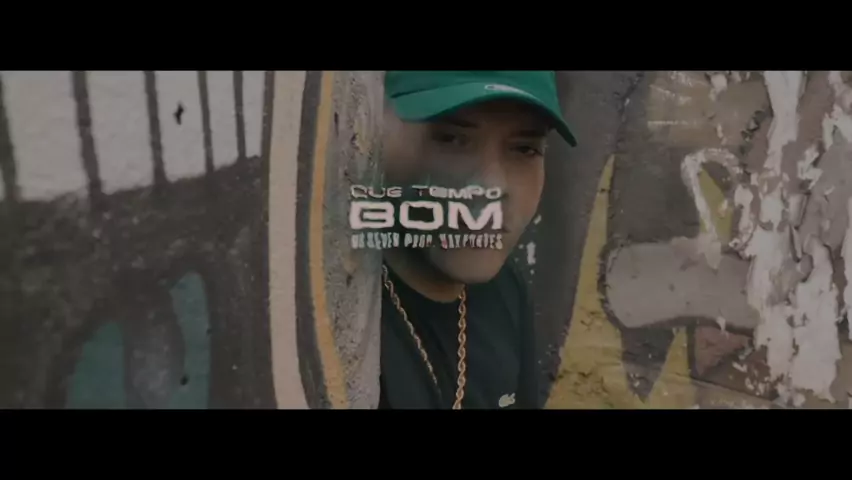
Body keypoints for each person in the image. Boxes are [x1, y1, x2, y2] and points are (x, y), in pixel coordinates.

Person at [376, 71, 577, 409]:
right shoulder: (337, 317)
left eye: (524, 149)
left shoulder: (506, 290)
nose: (491, 187)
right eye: (452, 140)